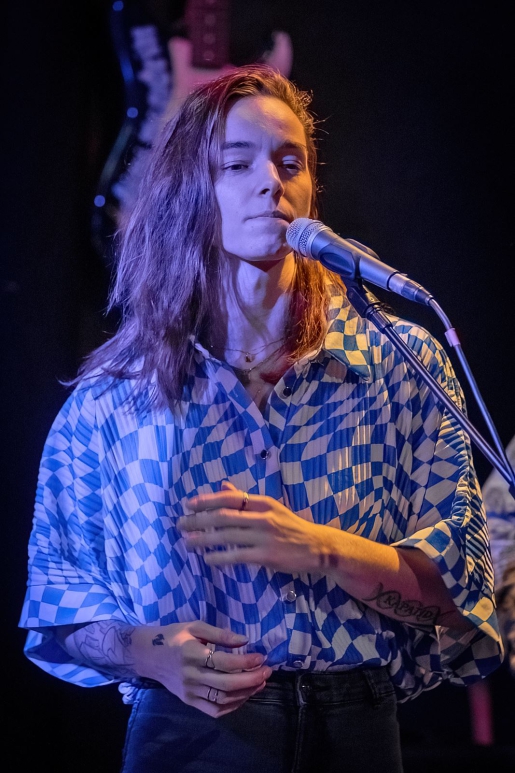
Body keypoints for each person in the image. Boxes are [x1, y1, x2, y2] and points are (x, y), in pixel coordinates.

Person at [20, 65, 503, 773]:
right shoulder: (116, 398)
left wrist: (320, 549)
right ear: (190, 190)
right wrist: (144, 651)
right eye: (236, 163)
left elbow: (459, 593)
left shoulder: (399, 362)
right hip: (192, 724)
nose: (270, 183)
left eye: (289, 162)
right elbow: (59, 605)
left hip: (356, 722)